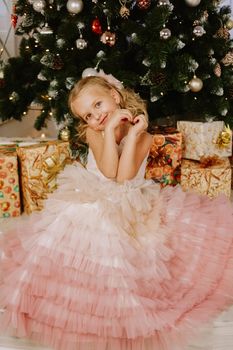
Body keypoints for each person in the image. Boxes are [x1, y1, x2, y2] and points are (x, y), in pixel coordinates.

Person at [0, 71, 233, 350]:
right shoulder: (95, 133)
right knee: (92, 231)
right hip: (93, 197)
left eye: (98, 105)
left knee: (165, 242)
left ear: (114, 96)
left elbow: (125, 180)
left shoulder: (143, 136)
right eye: (87, 115)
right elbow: (110, 172)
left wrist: (133, 134)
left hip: (132, 200)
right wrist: (109, 131)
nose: (95, 117)